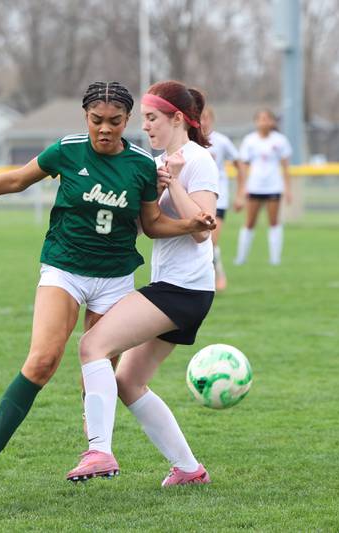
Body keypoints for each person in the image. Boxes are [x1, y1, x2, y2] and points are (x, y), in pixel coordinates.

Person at [0, 81, 213, 490]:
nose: (105, 129)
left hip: (115, 279)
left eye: (115, 121)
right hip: (64, 270)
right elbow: (16, 180)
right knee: (43, 360)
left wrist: (189, 224)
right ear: (85, 117)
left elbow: (152, 224)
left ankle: (100, 449)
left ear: (126, 121)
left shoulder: (141, 166)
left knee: (96, 369)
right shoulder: (67, 149)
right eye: (97, 120)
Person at [66, 80, 218, 487]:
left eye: (152, 118)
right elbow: (145, 226)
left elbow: (202, 230)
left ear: (176, 118)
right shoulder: (158, 162)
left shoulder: (198, 159)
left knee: (92, 345)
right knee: (128, 382)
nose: (145, 125)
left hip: (182, 290)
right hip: (180, 289)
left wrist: (175, 182)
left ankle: (99, 450)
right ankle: (189, 470)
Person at [233, 109, 292, 266]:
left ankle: (275, 259)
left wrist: (288, 189)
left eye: (267, 119)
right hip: (254, 187)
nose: (264, 122)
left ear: (272, 122)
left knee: (273, 222)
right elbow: (244, 167)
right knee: (249, 222)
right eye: (261, 119)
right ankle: (241, 258)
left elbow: (286, 167)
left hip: (273, 187)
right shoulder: (250, 140)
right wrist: (242, 189)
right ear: (256, 122)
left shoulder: (280, 140)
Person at [201, 105, 242, 291]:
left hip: (219, 197)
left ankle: (218, 274)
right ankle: (204, 278)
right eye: (199, 117)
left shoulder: (221, 141)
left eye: (206, 117)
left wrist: (241, 193)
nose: (203, 121)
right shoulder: (190, 141)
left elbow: (240, 164)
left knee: (211, 241)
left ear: (212, 119)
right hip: (196, 196)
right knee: (199, 242)